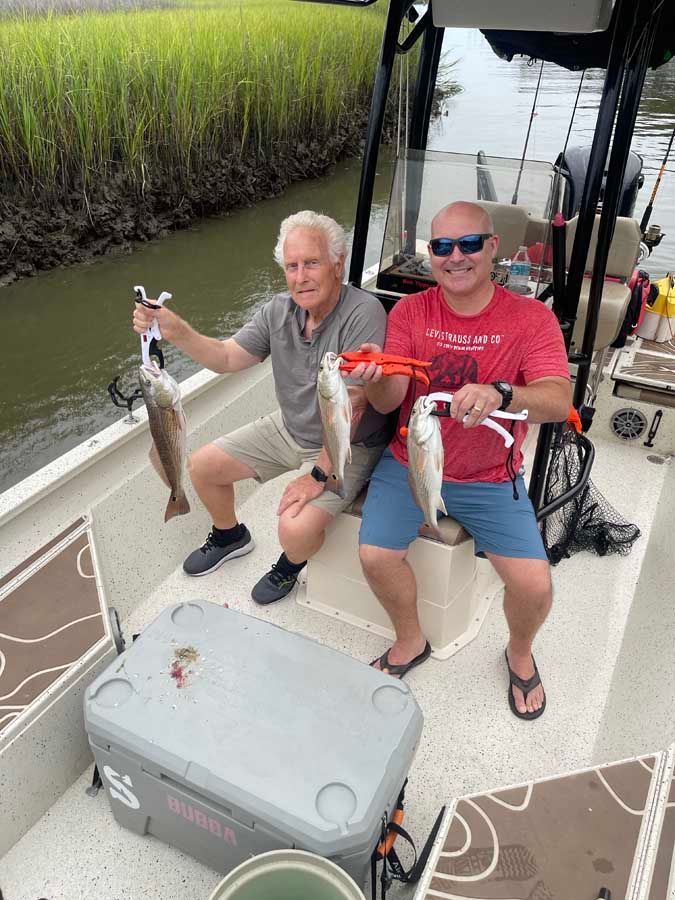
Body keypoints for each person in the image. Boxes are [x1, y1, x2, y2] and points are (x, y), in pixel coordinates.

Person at [352, 201, 572, 720]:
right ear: (430, 254)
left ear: (493, 247)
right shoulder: (409, 312)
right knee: (375, 556)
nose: (455, 257)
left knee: (534, 584)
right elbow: (391, 399)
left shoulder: (532, 318)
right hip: (412, 461)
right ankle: (411, 640)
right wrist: (376, 376)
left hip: (490, 476)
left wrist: (502, 392)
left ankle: (519, 653)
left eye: (469, 244)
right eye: (442, 246)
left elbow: (558, 399)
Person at [132, 210, 389, 604]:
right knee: (201, 467)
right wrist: (175, 329)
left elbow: (351, 409)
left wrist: (318, 475)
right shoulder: (278, 310)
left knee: (294, 529)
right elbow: (226, 358)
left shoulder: (363, 312)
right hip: (291, 427)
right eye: (291, 266)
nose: (300, 276)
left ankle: (289, 565)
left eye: (312, 263)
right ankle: (230, 535)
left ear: (338, 265)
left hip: (347, 444)